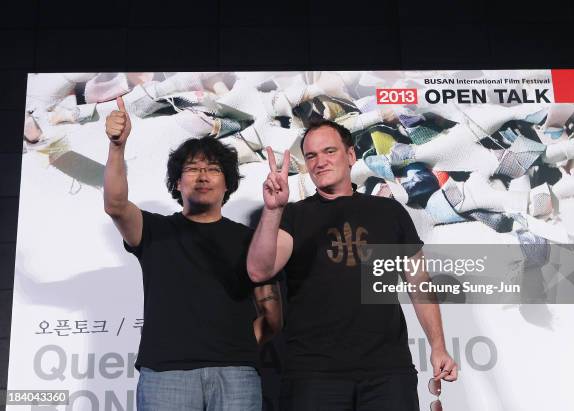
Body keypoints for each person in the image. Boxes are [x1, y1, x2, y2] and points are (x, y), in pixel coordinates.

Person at [247, 119, 457, 410]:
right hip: (314, 375)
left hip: (387, 373)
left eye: (329, 151)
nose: (320, 162)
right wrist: (272, 211)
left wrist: (438, 346)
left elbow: (419, 284)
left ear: (350, 156)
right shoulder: (293, 216)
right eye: (311, 156)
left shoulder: (389, 212)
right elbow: (260, 270)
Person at [103, 96, 281, 410]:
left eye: (212, 169)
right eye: (192, 169)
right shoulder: (154, 230)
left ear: (228, 183)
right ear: (177, 183)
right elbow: (116, 205)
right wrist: (117, 146)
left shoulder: (251, 239)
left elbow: (272, 317)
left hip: (236, 374)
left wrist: (234, 349)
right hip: (165, 373)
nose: (202, 176)